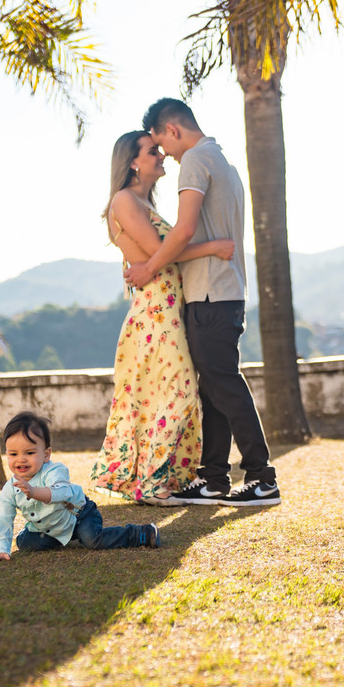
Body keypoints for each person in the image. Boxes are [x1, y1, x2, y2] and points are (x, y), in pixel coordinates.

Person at [124, 98, 280, 507]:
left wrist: (148, 268)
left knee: (223, 383)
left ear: (173, 131)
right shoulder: (221, 160)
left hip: (212, 292)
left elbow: (183, 231)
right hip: (218, 291)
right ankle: (214, 479)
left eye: (162, 144)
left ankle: (262, 478)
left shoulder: (195, 160)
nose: (165, 155)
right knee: (213, 387)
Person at [89, 130, 235, 506]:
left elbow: (159, 253)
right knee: (180, 389)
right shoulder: (123, 200)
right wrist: (214, 248)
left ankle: (156, 481)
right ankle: (152, 484)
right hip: (155, 314)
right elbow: (160, 251)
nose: (162, 156)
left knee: (162, 394)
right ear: (133, 162)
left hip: (168, 311)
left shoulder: (141, 203)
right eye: (152, 151)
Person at [0, 411, 159, 562]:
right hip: (49, 528)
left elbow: (62, 492)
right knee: (26, 544)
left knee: (93, 540)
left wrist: (34, 492)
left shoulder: (54, 471)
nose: (20, 459)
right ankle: (57, 538)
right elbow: (2, 518)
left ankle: (140, 533)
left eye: (29, 452)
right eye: (13, 454)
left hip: (79, 515)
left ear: (46, 454)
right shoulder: (10, 488)